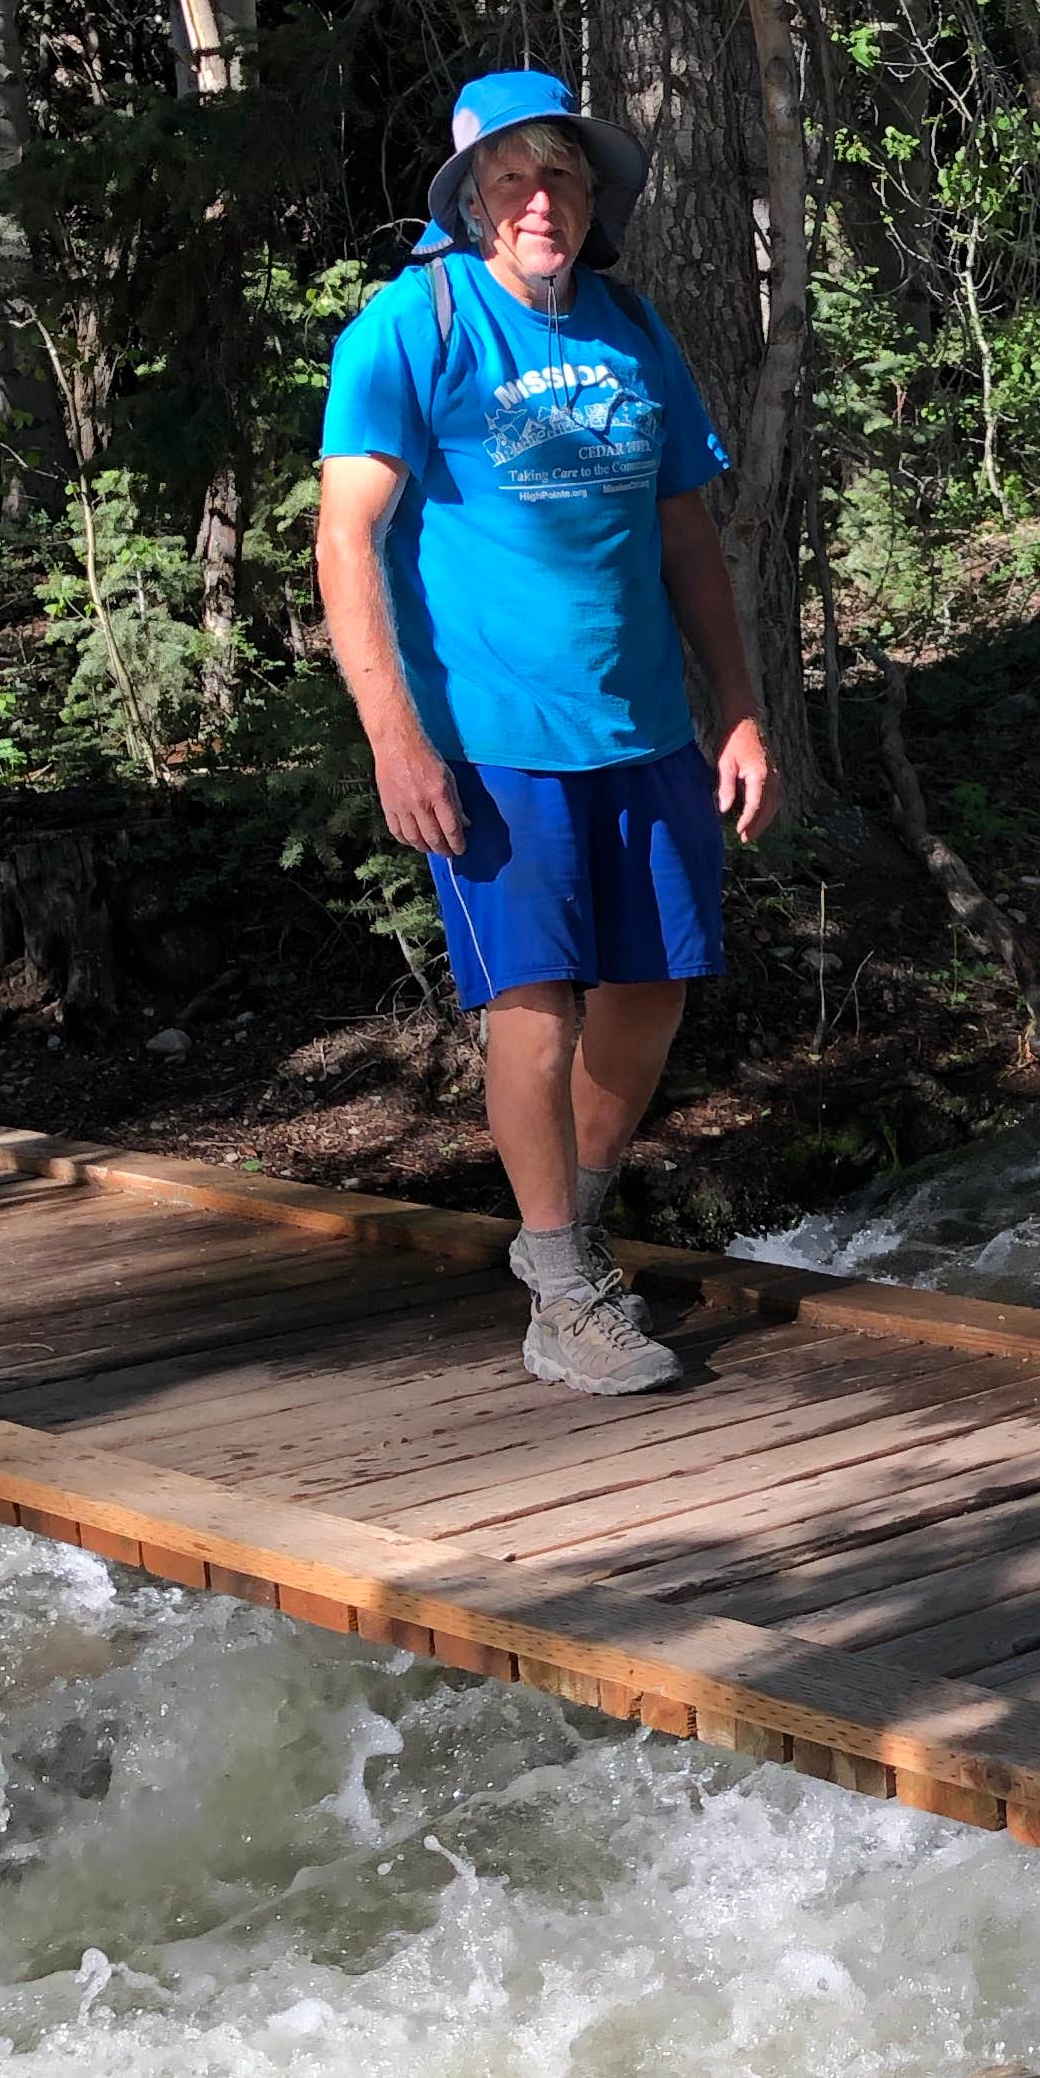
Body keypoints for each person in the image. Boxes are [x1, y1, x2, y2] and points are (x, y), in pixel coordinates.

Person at [317, 69, 779, 1395]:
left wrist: (740, 710)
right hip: (490, 737)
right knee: (530, 1005)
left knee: (651, 989)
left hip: (643, 728)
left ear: (592, 198)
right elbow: (346, 539)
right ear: (469, 200)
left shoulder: (633, 328)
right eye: (511, 177)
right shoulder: (412, 326)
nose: (538, 200)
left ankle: (563, 1229)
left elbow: (686, 535)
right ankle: (566, 1287)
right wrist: (396, 740)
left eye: (561, 175)